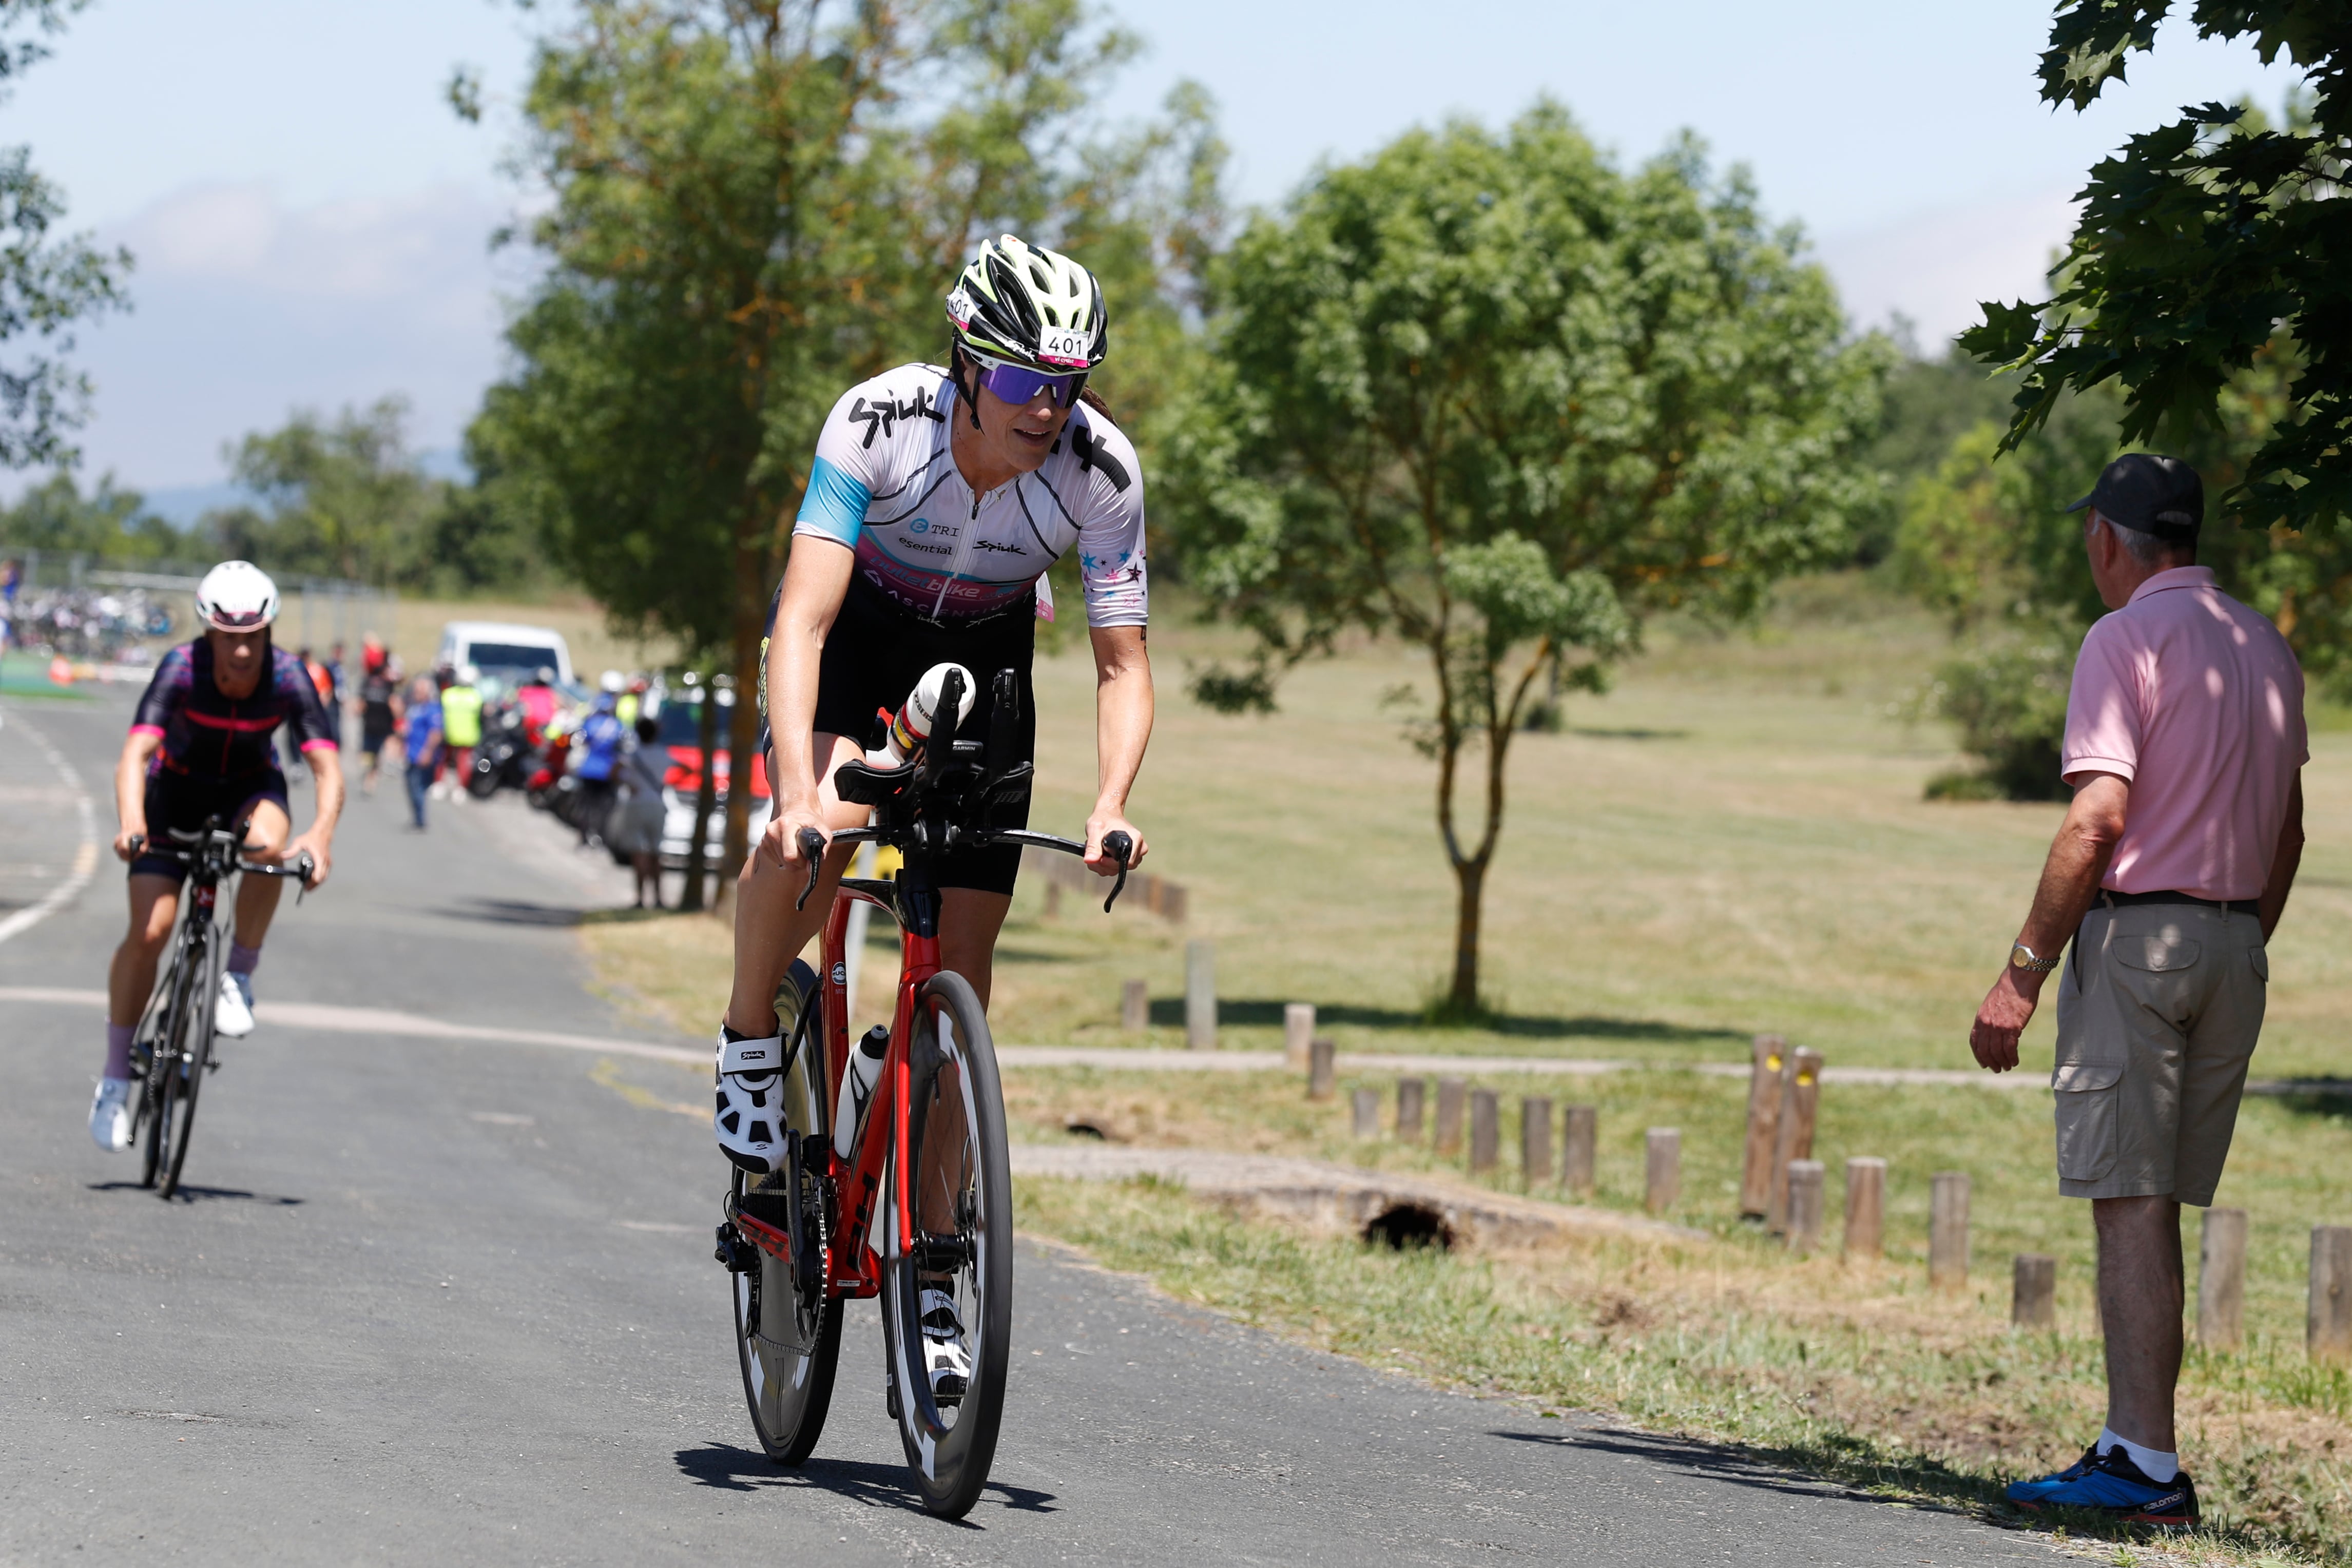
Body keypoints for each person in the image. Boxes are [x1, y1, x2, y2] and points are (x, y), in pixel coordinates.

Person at [1973, 455, 2305, 1530]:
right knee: (2152, 1200)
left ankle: (2142, 1467)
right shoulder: (2261, 643)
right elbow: (2288, 829)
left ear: (2109, 539)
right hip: (2234, 946)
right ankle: (2134, 1445)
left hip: (2140, 937)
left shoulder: (2120, 638)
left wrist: (2019, 972)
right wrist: (2235, 939)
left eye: (2088, 535)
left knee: (2125, 1201)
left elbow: (2094, 818)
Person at [89, 562, 341, 1152]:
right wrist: (131, 823)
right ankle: (113, 1080)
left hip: (250, 791)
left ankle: (238, 976)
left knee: (268, 849)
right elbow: (135, 754)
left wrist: (321, 835)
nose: (244, 650)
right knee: (150, 932)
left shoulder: (288, 676)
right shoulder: (181, 668)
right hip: (173, 792)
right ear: (208, 632)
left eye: (255, 635)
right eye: (231, 637)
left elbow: (327, 765)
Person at [611, 714, 670, 908]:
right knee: (656, 853)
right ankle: (659, 898)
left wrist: (629, 783)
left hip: (636, 804)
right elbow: (687, 769)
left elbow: (613, 772)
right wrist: (665, 784)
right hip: (657, 805)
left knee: (638, 854)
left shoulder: (632, 753)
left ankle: (639, 898)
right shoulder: (663, 754)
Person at [573, 676, 626, 846]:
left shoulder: (591, 723)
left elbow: (581, 740)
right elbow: (622, 746)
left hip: (588, 769)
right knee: (604, 808)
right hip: (606, 771)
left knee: (586, 805)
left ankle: (583, 836)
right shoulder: (617, 726)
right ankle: (598, 836)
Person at [400, 675, 442, 831]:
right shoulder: (414, 708)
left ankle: (420, 819)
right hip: (411, 753)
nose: (416, 693)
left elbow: (436, 733)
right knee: (410, 786)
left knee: (418, 787)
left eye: (420, 691)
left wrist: (428, 752)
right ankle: (416, 818)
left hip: (422, 754)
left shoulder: (433, 709)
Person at [357, 649, 401, 798]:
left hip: (371, 725)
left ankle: (370, 776)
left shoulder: (368, 682)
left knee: (371, 754)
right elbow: (394, 705)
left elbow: (360, 705)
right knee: (374, 755)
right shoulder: (387, 685)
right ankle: (371, 776)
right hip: (380, 726)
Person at [439, 664, 484, 803]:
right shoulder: (476, 697)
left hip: (449, 733)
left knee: (444, 760)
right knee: (463, 762)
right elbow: (482, 718)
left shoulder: (448, 694)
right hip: (468, 736)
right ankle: (460, 789)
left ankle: (440, 785)